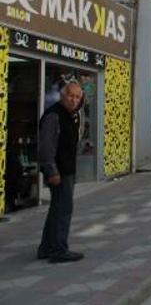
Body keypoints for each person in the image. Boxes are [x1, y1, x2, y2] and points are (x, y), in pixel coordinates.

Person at [37, 81, 84, 263]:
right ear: (62, 96)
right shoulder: (54, 115)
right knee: (63, 210)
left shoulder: (70, 115)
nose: (74, 100)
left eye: (77, 97)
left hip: (66, 169)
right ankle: (58, 250)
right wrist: (52, 171)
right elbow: (46, 147)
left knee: (57, 208)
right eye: (71, 96)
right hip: (59, 171)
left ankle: (47, 247)